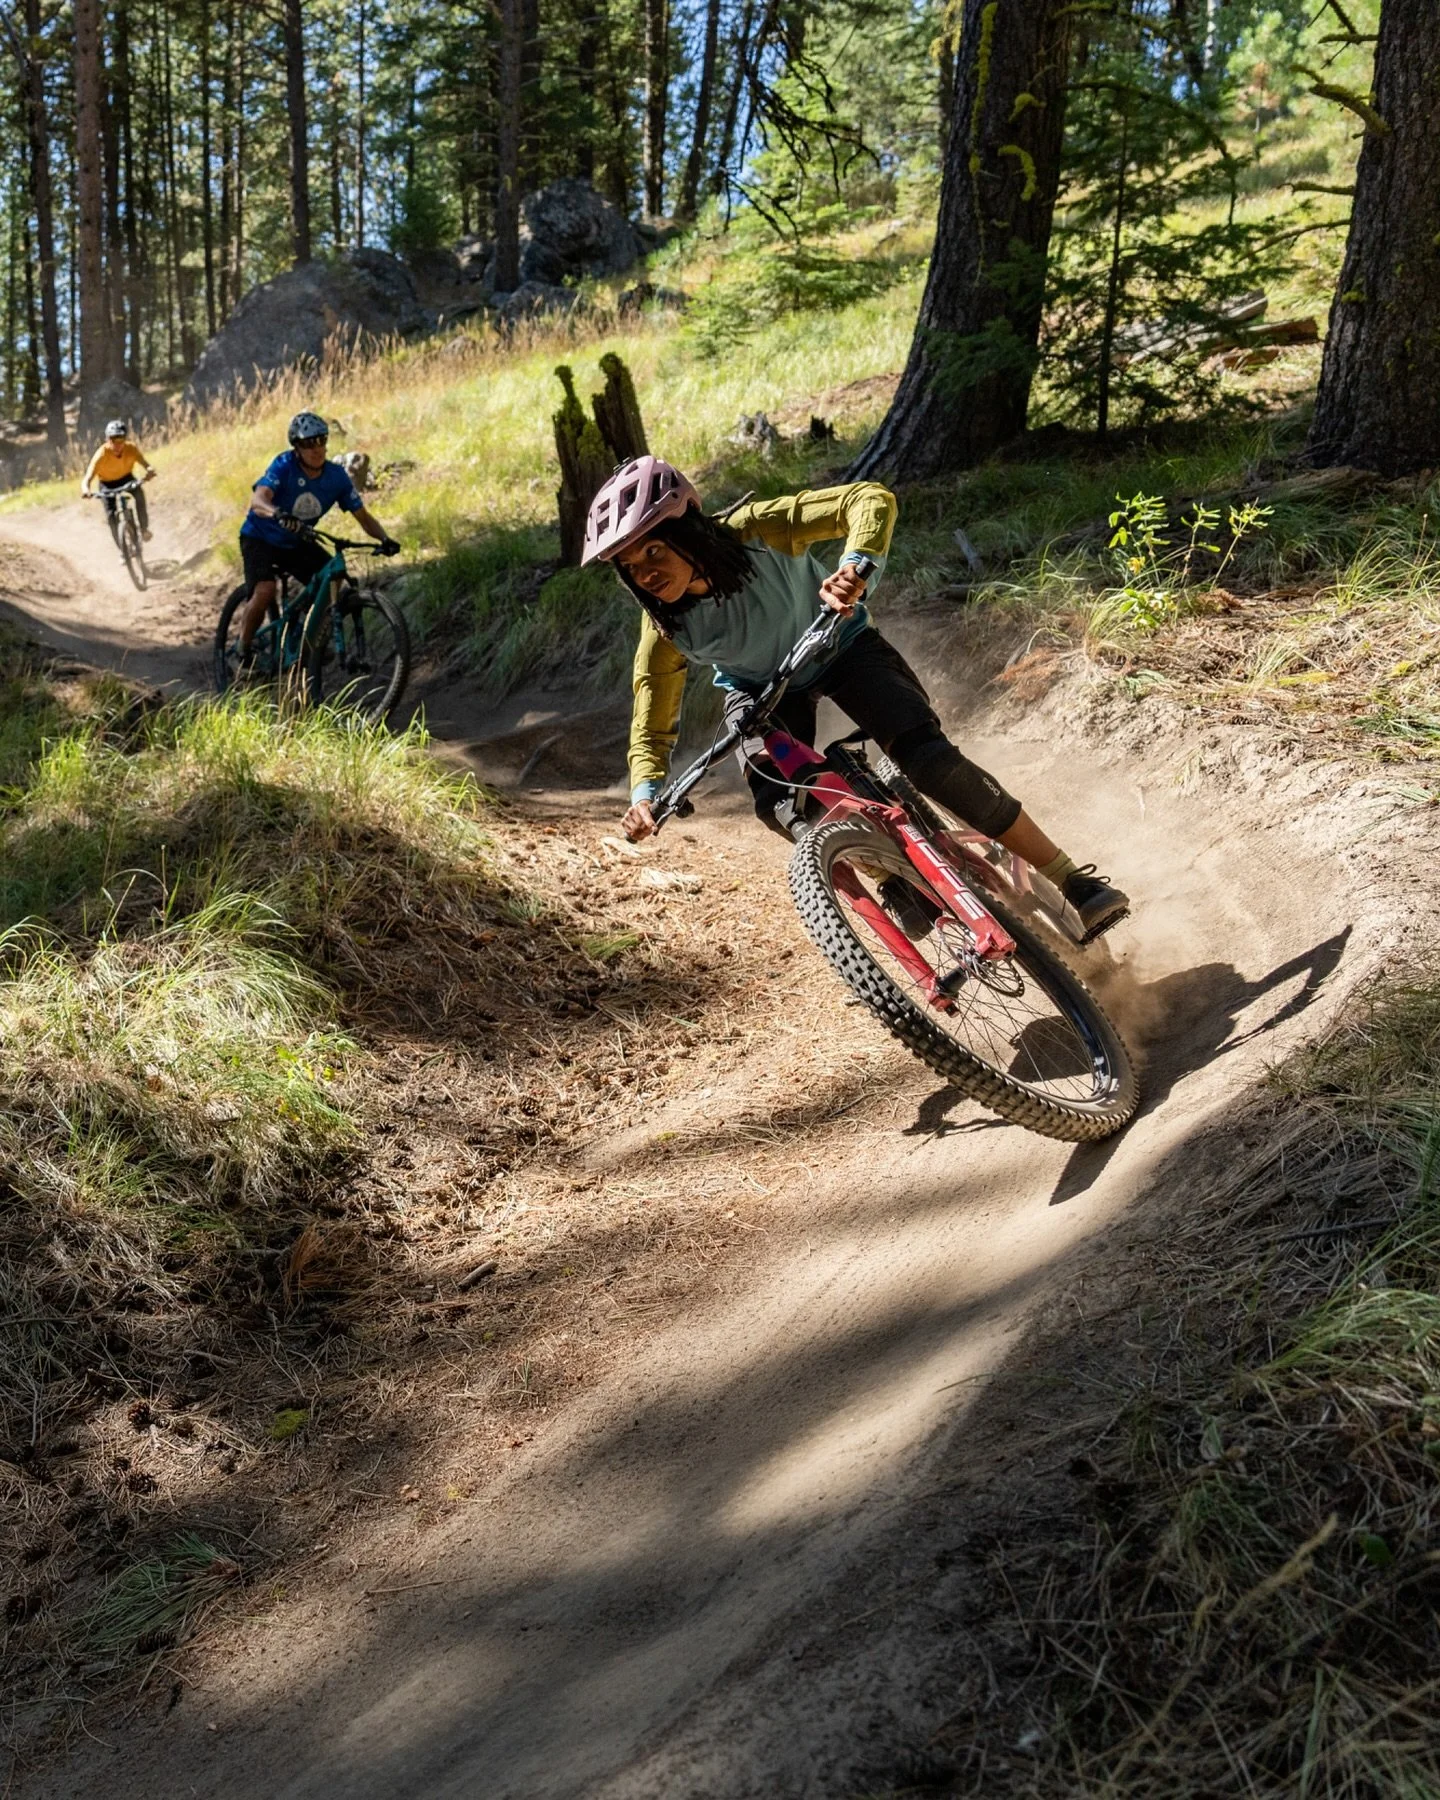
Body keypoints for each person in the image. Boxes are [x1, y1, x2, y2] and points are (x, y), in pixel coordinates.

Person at [583, 456, 1130, 941]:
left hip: (842, 645)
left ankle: (1070, 879)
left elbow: (867, 499)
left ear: (691, 530)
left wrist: (856, 568)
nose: (646, 572)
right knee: (780, 803)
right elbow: (652, 709)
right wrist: (647, 791)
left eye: (654, 549)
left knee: (928, 762)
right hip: (759, 694)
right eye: (630, 566)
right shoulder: (665, 625)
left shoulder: (751, 532)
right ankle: (895, 876)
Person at [237, 410, 400, 658]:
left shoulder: (337, 477)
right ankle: (243, 648)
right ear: (297, 447)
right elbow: (258, 500)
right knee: (265, 590)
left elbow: (363, 517)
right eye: (308, 443)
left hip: (295, 540)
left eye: (321, 440)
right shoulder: (284, 465)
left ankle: (308, 637)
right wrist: (277, 513)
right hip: (260, 536)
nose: (317, 448)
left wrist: (384, 539)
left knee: (331, 581)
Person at [81, 419, 156, 541]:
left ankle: (144, 529)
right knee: (111, 516)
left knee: (139, 496)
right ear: (107, 439)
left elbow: (145, 464)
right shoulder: (101, 455)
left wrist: (150, 471)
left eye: (120, 439)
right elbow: (87, 478)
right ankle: (122, 550)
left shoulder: (131, 448)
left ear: (125, 439)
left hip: (127, 478)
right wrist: (85, 490)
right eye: (113, 440)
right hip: (107, 484)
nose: (117, 444)